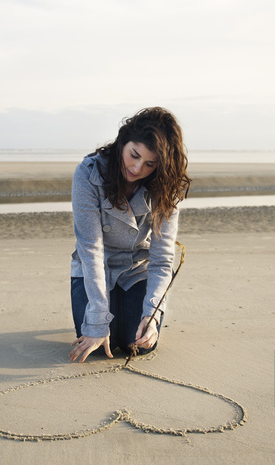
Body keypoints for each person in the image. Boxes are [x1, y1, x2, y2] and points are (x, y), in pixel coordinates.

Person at [69, 107, 191, 363]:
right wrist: (98, 320)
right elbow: (91, 249)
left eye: (150, 164)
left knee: (139, 345)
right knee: (102, 342)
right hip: (93, 267)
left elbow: (161, 259)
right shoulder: (88, 174)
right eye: (134, 155)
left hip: (136, 268)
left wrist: (152, 315)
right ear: (122, 142)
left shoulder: (165, 187)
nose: (137, 168)